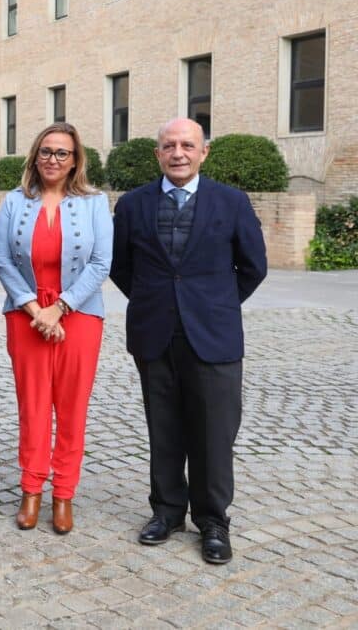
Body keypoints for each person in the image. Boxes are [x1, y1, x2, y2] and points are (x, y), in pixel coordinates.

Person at [110, 117, 266, 564]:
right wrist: (156, 300)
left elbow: (253, 266)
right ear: (157, 153)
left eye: (187, 145)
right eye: (168, 145)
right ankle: (167, 511)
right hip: (155, 331)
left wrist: (215, 303)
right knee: (164, 427)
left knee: (214, 432)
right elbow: (122, 267)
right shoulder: (134, 204)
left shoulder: (231, 202)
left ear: (204, 152)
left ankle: (213, 521)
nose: (178, 153)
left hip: (213, 334)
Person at [0, 122, 112, 534]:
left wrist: (59, 308)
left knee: (72, 408)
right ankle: (31, 490)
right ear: (34, 155)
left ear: (76, 159)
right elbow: (4, 262)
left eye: (62, 153)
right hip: (26, 316)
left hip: (78, 315)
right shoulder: (14, 201)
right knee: (33, 406)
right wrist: (35, 310)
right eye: (46, 151)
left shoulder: (96, 203)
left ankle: (64, 493)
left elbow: (101, 263)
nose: (53, 159)